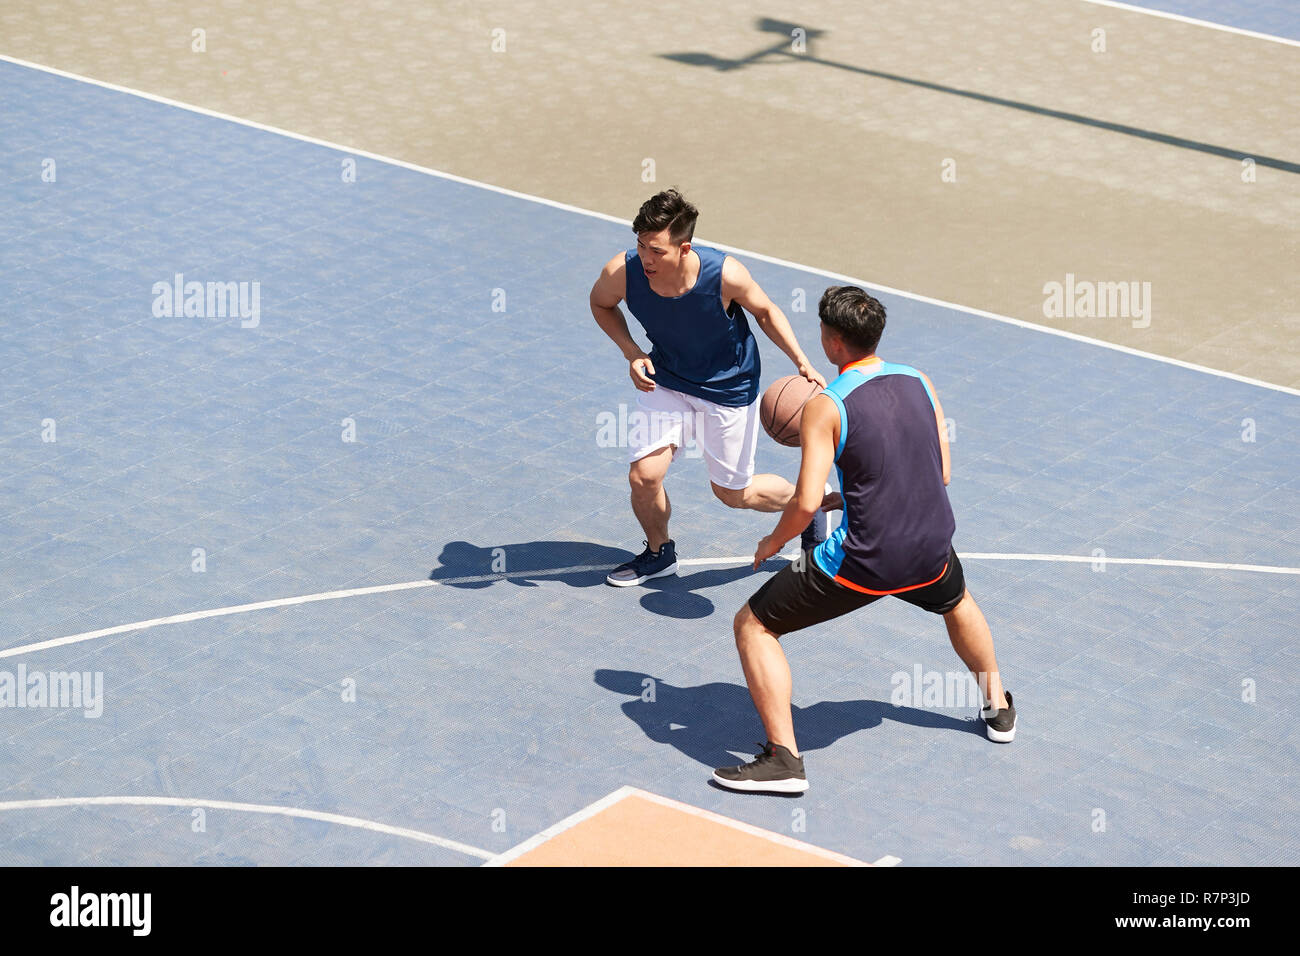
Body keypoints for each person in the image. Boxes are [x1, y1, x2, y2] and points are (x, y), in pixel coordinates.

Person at [713, 286, 1017, 794]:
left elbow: (806, 502)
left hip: (863, 561)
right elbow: (940, 473)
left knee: (753, 624)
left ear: (832, 341)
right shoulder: (918, 379)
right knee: (957, 600)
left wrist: (772, 540)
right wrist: (854, 496)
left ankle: (784, 761)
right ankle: (998, 707)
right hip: (931, 545)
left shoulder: (824, 406)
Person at [590, 188, 834, 587]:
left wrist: (802, 361)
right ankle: (659, 553)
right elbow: (601, 303)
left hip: (728, 389)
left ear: (684, 248)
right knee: (643, 477)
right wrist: (632, 352)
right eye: (641, 246)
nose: (646, 258)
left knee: (733, 494)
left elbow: (766, 312)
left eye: (657, 250)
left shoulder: (724, 275)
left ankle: (813, 501)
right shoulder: (623, 272)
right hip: (668, 379)